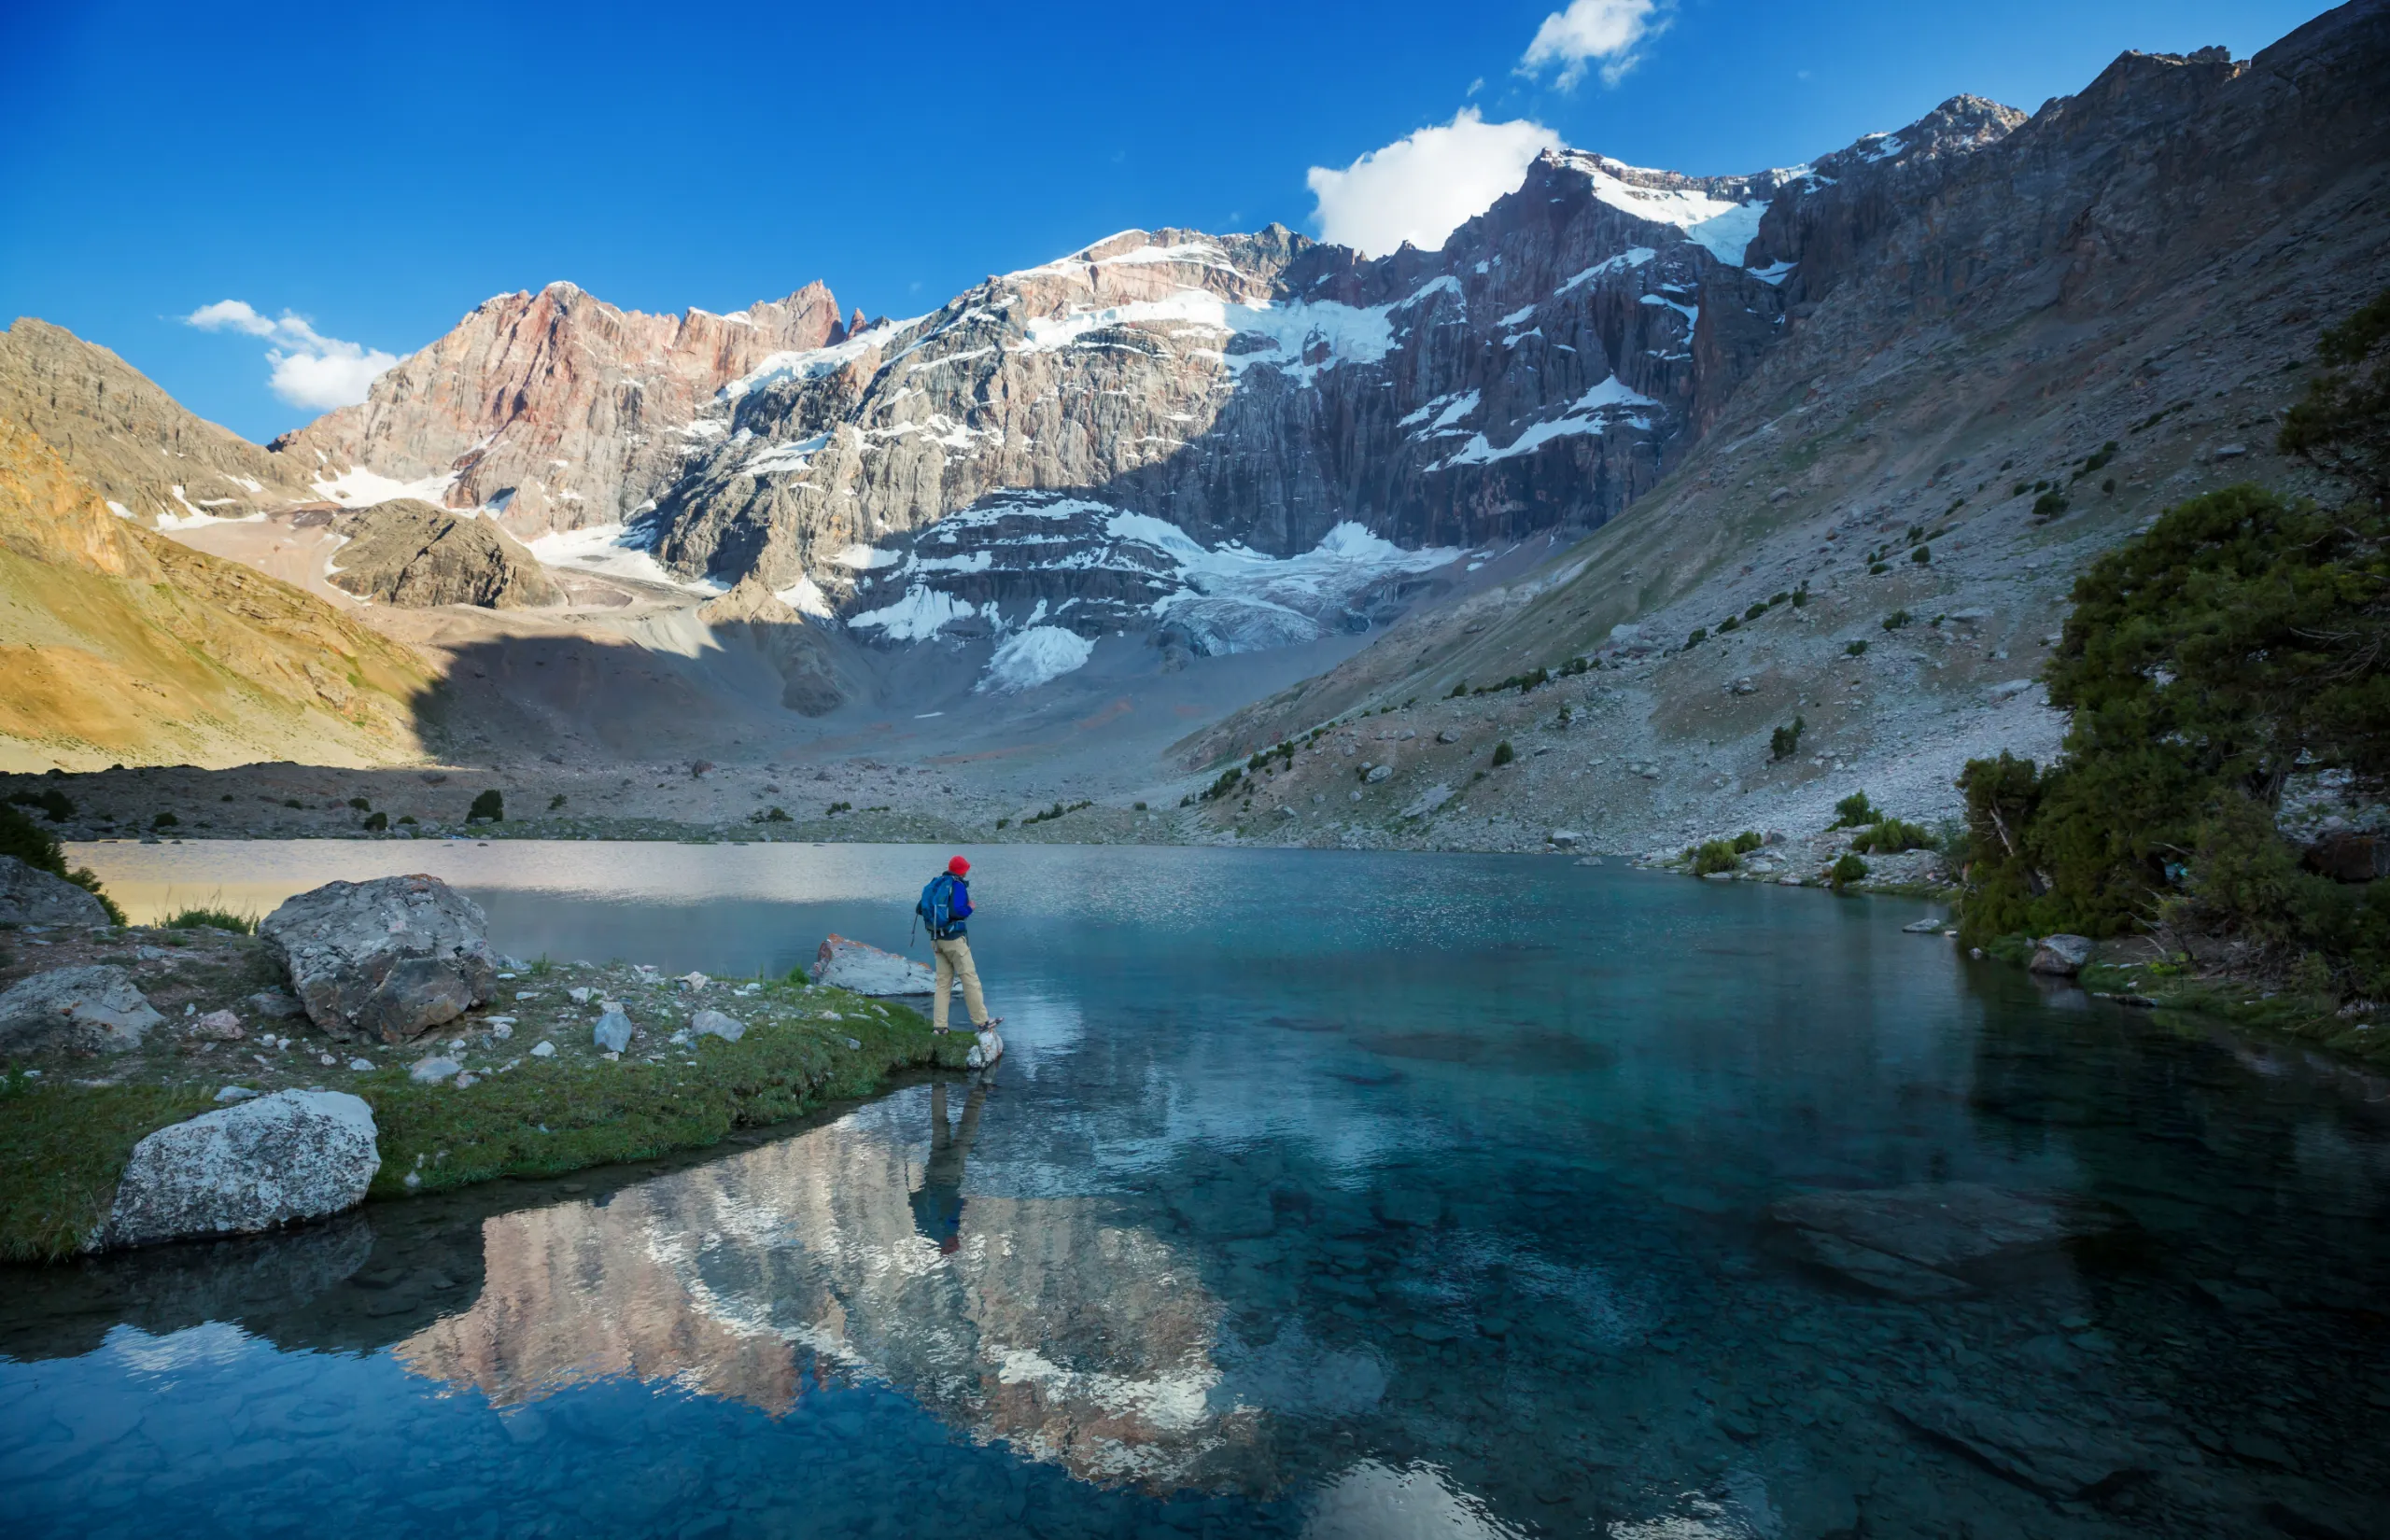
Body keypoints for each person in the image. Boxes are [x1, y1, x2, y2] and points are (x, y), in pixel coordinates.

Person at [921, 854, 1001, 1034]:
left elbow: (920, 907)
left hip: (937, 939)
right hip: (954, 940)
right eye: (966, 869)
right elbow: (957, 911)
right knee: (970, 979)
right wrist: (970, 908)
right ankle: (982, 1022)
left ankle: (940, 1027)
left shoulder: (938, 883)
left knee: (943, 983)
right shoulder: (957, 885)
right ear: (962, 870)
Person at [909, 1078, 988, 1255]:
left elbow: (956, 1205)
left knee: (967, 1131)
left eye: (955, 1243)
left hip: (950, 1173)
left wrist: (963, 1203)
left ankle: (980, 1089)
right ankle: (938, 1084)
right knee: (939, 1124)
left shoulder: (947, 1228)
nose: (957, 1240)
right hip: (932, 1169)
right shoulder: (927, 1227)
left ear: (947, 1245)